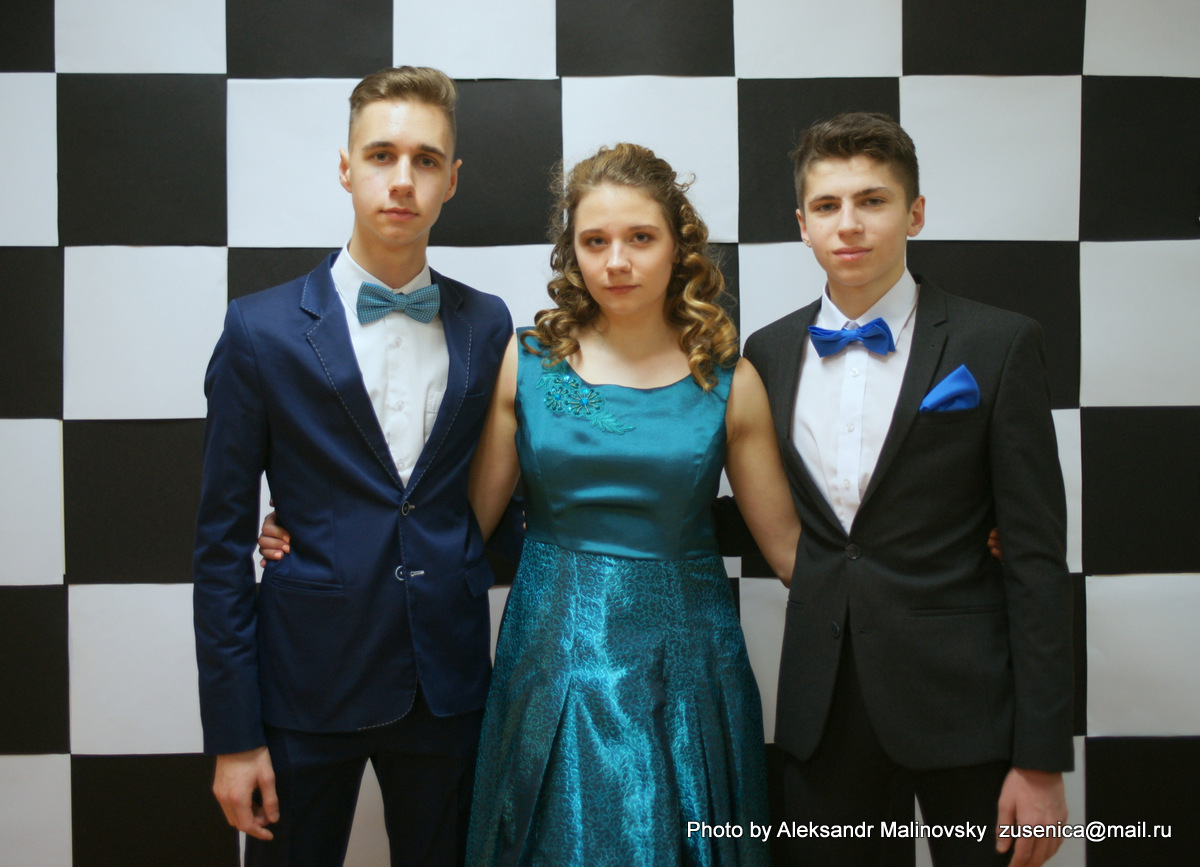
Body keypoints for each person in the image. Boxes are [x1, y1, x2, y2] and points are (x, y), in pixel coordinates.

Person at [262, 142, 801, 864]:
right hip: (550, 655)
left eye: (641, 238)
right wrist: (318, 530)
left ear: (679, 245)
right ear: (572, 252)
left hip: (688, 663)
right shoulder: (527, 362)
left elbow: (791, 551)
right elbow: (457, 525)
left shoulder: (730, 380)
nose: (617, 262)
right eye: (595, 241)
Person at [193, 66, 512, 866]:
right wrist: (233, 735)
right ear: (345, 167)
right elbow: (219, 545)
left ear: (452, 179)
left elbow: (498, 494)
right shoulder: (259, 330)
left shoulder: (488, 323)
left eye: (426, 160)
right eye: (381, 155)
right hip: (304, 685)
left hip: (447, 684)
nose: (402, 180)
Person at [742, 112, 1073, 866]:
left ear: (915, 212)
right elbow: (777, 511)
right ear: (801, 224)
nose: (849, 224)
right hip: (823, 708)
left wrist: (1041, 760)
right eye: (827, 205)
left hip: (968, 707)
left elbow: (1035, 561)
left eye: (873, 200)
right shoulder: (766, 352)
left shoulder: (998, 342)